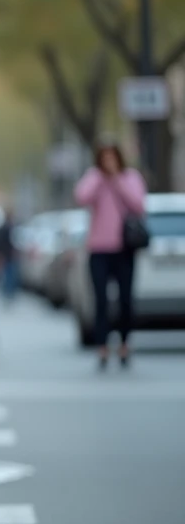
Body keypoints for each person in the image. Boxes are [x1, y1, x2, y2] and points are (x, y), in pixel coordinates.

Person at [73, 139, 146, 369]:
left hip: (124, 248)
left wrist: (116, 181)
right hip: (99, 248)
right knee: (101, 301)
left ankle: (124, 343)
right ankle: (102, 346)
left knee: (125, 299)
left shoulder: (130, 177)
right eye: (104, 158)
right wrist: (100, 178)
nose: (108, 162)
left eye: (112, 157)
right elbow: (81, 197)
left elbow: (138, 205)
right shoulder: (94, 177)